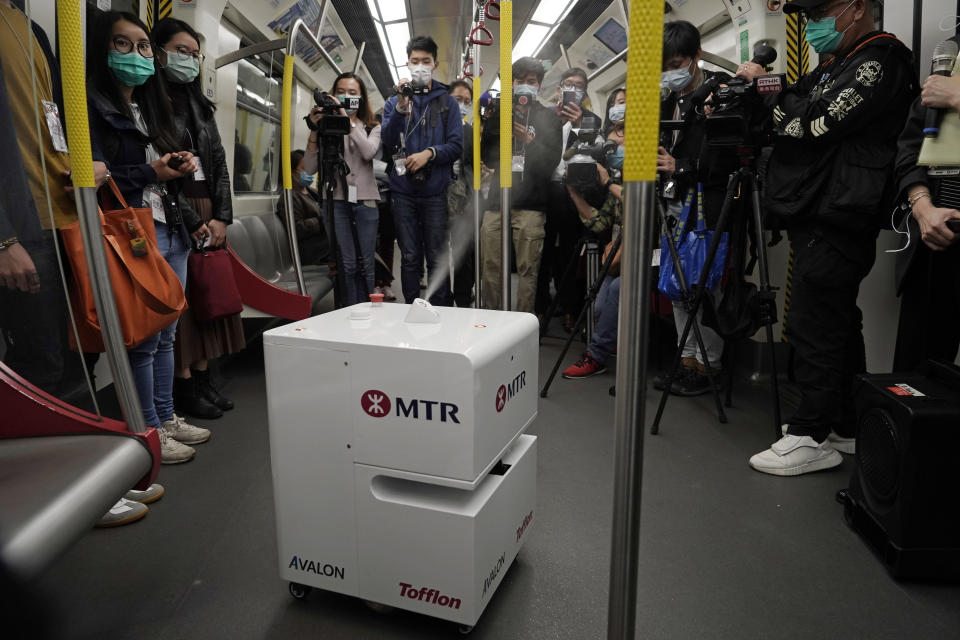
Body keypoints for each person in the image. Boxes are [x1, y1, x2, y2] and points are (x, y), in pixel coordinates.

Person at [738, 0, 917, 475]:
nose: (812, 25)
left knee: (812, 320)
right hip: (819, 204)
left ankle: (809, 433)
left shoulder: (881, 60)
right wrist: (766, 90)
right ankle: (845, 421)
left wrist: (773, 97)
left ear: (857, 8)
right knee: (835, 317)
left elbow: (814, 123)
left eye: (821, 12)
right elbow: (793, 108)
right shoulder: (836, 63)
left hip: (841, 208)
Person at [88, 10, 213, 465]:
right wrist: (150, 170)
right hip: (132, 231)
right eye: (124, 45)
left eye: (143, 47)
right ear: (104, 50)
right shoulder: (92, 107)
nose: (137, 55)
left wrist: (173, 167)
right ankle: (147, 427)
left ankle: (165, 415)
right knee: (144, 335)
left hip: (167, 224)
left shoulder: (147, 108)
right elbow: (95, 177)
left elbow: (153, 174)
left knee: (166, 331)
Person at [0, 1, 109, 407]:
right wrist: (4, 239)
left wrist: (96, 163)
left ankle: (90, 465)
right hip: (25, 229)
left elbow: (60, 114)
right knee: (39, 366)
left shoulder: (28, 26)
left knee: (82, 356)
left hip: (68, 218)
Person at [151, 18, 245, 421]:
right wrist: (193, 219)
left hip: (207, 208)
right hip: (176, 210)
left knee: (207, 299)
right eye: (180, 51)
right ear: (158, 53)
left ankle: (204, 379)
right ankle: (184, 385)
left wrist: (222, 216)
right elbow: (164, 178)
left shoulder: (200, 106)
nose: (187, 60)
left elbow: (219, 165)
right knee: (183, 308)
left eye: (193, 54)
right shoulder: (152, 105)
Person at [654, 21, 732, 396]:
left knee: (702, 287)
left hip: (705, 206)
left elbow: (726, 158)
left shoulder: (721, 91)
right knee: (676, 287)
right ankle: (687, 361)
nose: (671, 72)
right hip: (672, 204)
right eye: (664, 67)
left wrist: (679, 167)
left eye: (677, 62)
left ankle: (708, 366)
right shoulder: (664, 98)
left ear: (696, 55)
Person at [892, 32, 960, 370]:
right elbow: (908, 147)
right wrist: (921, 206)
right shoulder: (951, 53)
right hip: (935, 230)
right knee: (917, 371)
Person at [381, 35, 463, 306]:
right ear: (406, 64)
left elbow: (456, 146)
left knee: (438, 256)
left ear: (435, 64)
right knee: (409, 256)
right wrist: (400, 111)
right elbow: (387, 143)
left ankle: (441, 310)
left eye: (425, 62)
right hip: (402, 191)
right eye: (414, 61)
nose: (419, 66)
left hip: (435, 191)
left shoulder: (447, 103)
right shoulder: (394, 103)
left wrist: (429, 153)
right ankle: (412, 310)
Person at [479, 57, 563, 312]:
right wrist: (497, 123)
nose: (525, 86)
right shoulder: (500, 112)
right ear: (511, 83)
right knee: (491, 266)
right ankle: (490, 320)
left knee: (529, 269)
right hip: (496, 201)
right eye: (520, 81)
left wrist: (527, 140)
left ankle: (523, 323)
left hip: (532, 203)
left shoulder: (549, 119)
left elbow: (551, 161)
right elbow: (485, 155)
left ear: (539, 86)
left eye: (531, 81)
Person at [304, 72, 381, 306]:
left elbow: (368, 152)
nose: (345, 97)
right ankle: (350, 311)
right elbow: (309, 167)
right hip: (336, 201)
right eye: (340, 92)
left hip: (365, 201)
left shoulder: (372, 127)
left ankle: (370, 310)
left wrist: (346, 120)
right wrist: (315, 129)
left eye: (352, 93)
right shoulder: (326, 128)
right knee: (347, 264)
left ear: (361, 98)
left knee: (366, 263)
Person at [537, 67, 604, 332]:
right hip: (546, 189)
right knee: (541, 253)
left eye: (578, 85)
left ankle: (570, 308)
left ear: (585, 92)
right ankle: (540, 307)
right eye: (567, 84)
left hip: (574, 193)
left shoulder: (591, 120)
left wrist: (577, 126)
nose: (572, 89)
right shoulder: (546, 119)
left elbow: (593, 154)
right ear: (558, 90)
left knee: (569, 252)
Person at [562, 124, 625, 379]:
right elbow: (600, 223)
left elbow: (639, 201)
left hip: (651, 259)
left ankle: (595, 356)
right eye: (607, 148)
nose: (611, 154)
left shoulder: (647, 176)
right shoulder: (618, 181)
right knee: (599, 307)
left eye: (616, 147)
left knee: (617, 290)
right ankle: (612, 343)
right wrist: (574, 193)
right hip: (621, 259)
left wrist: (608, 182)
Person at [447, 79, 476, 307]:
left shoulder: (471, 132)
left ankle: (463, 297)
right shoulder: (436, 127)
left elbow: (474, 167)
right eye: (458, 100)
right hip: (439, 192)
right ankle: (443, 299)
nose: (462, 105)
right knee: (440, 249)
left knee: (464, 250)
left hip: (463, 194)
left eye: (467, 101)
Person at [278, 149, 329, 266]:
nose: (309, 173)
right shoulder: (289, 198)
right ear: (291, 171)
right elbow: (296, 229)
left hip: (322, 244)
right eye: (304, 169)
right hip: (310, 250)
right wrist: (320, 221)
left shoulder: (313, 192)